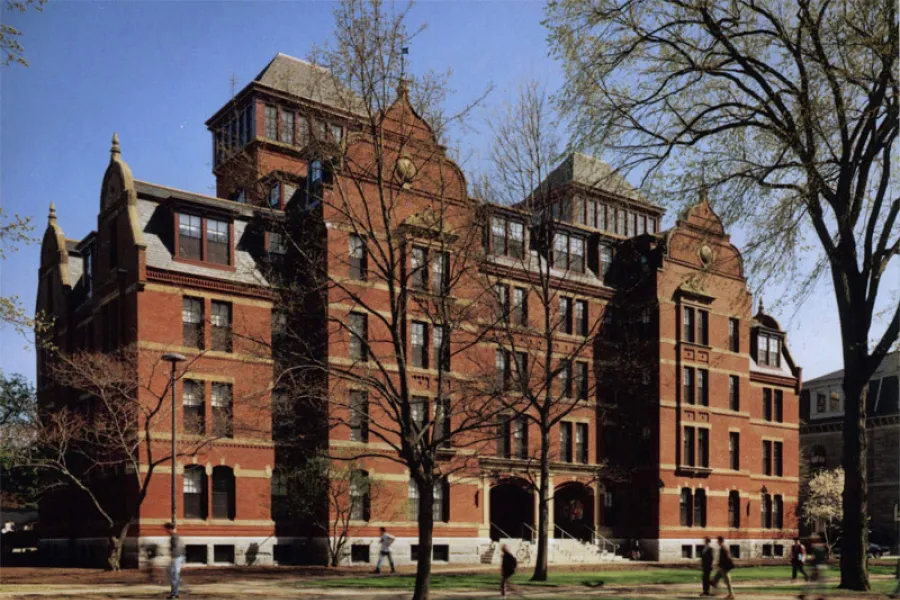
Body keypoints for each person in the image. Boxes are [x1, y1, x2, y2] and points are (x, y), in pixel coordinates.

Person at [802, 534, 828, 600]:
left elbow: (813, 557)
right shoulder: (823, 546)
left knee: (813, 581)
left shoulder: (814, 547)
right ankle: (821, 595)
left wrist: (808, 559)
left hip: (816, 566)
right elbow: (825, 557)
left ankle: (805, 594)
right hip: (822, 565)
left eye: (811, 539)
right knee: (821, 581)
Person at [165, 522, 184, 600]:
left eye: (167, 530)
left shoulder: (174, 537)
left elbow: (176, 547)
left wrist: (173, 557)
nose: (166, 531)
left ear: (170, 529)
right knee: (174, 576)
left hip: (176, 558)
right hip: (178, 557)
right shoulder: (175, 536)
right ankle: (175, 593)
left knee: (174, 576)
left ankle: (175, 594)